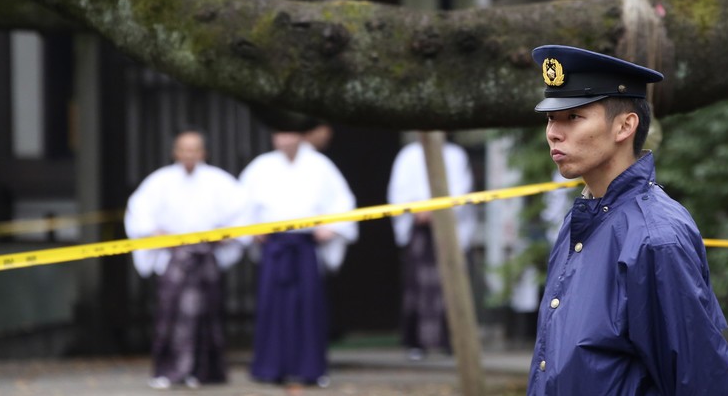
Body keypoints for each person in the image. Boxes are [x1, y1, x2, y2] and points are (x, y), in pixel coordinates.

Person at [527, 45, 728, 396]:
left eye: (573, 117)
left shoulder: (655, 237)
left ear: (625, 126)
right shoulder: (580, 220)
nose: (553, 132)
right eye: (551, 118)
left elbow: (702, 380)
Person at [124, 128, 248, 390]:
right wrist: (156, 233)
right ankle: (167, 371)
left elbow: (241, 217)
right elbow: (139, 215)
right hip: (175, 259)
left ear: (203, 153)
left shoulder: (220, 181)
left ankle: (203, 371)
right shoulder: (159, 181)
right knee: (169, 315)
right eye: (184, 149)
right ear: (175, 152)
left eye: (195, 149)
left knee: (206, 315)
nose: (189, 154)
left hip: (206, 259)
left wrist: (223, 236)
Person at [238, 127, 358, 387]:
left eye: (290, 133)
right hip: (275, 248)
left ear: (301, 136)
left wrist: (333, 228)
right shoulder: (261, 167)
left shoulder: (320, 166)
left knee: (308, 308)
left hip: (305, 247)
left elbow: (342, 202)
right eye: (280, 134)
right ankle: (269, 367)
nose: (285, 139)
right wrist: (251, 227)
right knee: (272, 307)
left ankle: (310, 368)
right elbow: (240, 205)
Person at [386, 133, 476, 360]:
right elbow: (397, 192)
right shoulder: (407, 156)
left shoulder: (455, 155)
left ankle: (451, 340)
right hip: (418, 228)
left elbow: (462, 190)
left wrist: (437, 212)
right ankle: (416, 342)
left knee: (450, 285)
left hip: (448, 228)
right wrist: (417, 210)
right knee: (416, 286)